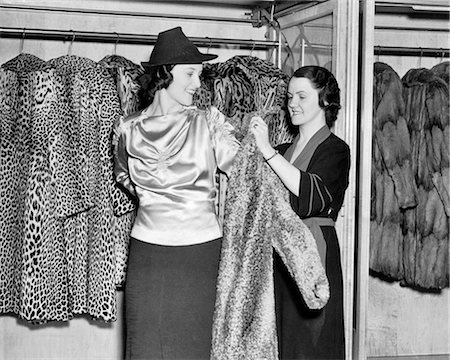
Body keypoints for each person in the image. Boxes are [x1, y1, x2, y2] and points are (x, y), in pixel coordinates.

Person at [113, 26, 240, 360]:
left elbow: (244, 170)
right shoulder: (126, 128)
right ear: (165, 72)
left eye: (199, 75)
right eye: (190, 74)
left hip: (199, 254)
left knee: (194, 347)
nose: (198, 85)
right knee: (145, 347)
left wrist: (263, 148)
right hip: (148, 256)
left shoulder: (209, 121)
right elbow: (124, 178)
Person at [250, 65, 350, 359]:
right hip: (280, 256)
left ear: (325, 102)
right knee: (286, 342)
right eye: (290, 96)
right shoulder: (282, 150)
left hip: (313, 255)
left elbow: (313, 195)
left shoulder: (336, 150)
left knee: (313, 342)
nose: (292, 103)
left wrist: (267, 153)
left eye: (302, 96)